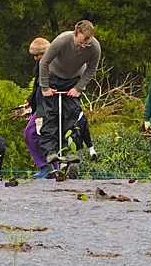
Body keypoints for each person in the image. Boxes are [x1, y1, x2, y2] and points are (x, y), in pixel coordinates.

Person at [33, 20, 101, 178]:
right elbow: (44, 62)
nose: (84, 45)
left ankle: (70, 152)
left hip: (73, 80)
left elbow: (91, 69)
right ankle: (50, 152)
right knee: (50, 115)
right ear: (76, 33)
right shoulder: (62, 40)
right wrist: (45, 87)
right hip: (53, 76)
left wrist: (79, 88)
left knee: (73, 116)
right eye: (82, 41)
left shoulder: (95, 47)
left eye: (87, 42)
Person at [21, 37, 50, 168]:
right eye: (34, 55)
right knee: (34, 135)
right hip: (39, 105)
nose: (36, 58)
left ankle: (47, 166)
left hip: (47, 107)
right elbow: (37, 88)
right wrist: (30, 101)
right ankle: (49, 167)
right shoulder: (39, 66)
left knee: (33, 134)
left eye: (39, 55)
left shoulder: (52, 67)